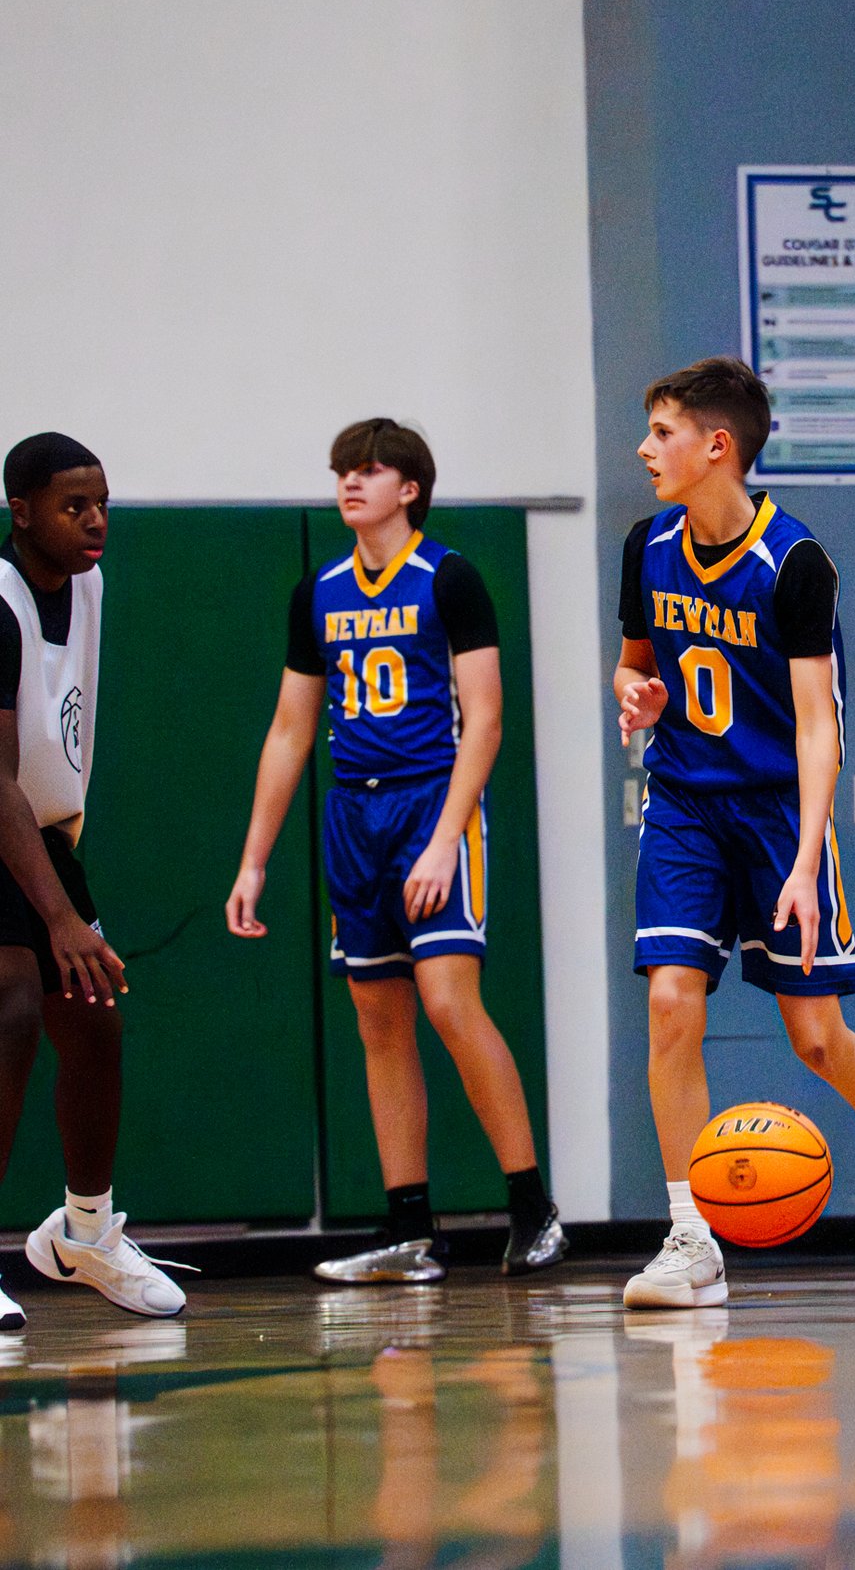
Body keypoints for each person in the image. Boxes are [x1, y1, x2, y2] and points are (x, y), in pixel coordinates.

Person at [613, 358, 855, 1309]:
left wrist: (808, 859)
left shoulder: (795, 563)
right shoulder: (646, 546)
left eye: (661, 432)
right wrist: (637, 695)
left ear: (715, 446)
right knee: (671, 1005)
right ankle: (691, 1239)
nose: (645, 449)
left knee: (815, 1036)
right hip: (685, 802)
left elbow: (820, 725)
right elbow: (634, 665)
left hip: (777, 811)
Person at [226, 418, 564, 1282]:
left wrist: (446, 839)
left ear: (409, 488)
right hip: (354, 814)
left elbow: (484, 719)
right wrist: (254, 859)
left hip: (433, 802)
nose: (349, 481)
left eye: (368, 469)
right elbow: (290, 731)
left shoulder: (448, 577)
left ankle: (533, 1210)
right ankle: (411, 1230)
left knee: (449, 1002)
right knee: (378, 1023)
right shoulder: (318, 591)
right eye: (342, 469)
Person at [0, 433, 188, 1323]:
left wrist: (63, 903)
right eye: (73, 506)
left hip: (38, 832)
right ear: (21, 511)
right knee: (12, 1008)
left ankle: (83, 1233)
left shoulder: (87, 586)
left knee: (94, 1020)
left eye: (102, 503)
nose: (96, 520)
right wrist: (60, 920)